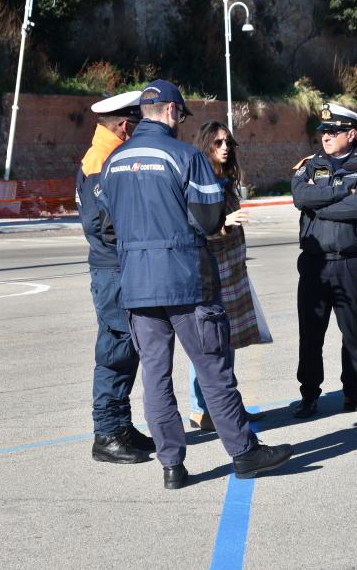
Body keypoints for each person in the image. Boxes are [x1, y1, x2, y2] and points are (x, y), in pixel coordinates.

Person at [98, 79, 293, 489]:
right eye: (181, 115)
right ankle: (243, 452)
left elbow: (109, 225)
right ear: (171, 112)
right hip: (188, 282)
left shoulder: (113, 163)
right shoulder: (186, 157)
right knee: (214, 371)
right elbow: (208, 221)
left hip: (137, 284)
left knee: (155, 377)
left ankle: (171, 465)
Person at [290, 103, 357, 419]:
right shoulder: (309, 164)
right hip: (315, 264)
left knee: (353, 334)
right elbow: (301, 198)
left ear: (351, 133)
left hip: (350, 262)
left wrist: (321, 203)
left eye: (333, 131)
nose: (326, 137)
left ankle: (354, 394)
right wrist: (342, 189)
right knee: (311, 334)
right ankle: (309, 395)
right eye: (324, 131)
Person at [76, 90, 155, 464]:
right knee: (115, 351)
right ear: (125, 125)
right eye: (137, 124)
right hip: (113, 269)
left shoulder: (112, 156)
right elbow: (101, 223)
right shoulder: (101, 160)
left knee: (126, 349)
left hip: (121, 267)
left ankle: (120, 425)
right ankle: (107, 434)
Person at [187, 121, 268, 431]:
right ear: (206, 144)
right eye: (218, 142)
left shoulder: (225, 180)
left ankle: (225, 407)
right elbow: (197, 229)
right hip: (212, 273)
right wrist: (224, 222)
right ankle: (202, 408)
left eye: (228, 143)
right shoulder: (200, 181)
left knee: (228, 342)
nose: (224, 147)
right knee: (210, 343)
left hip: (232, 272)